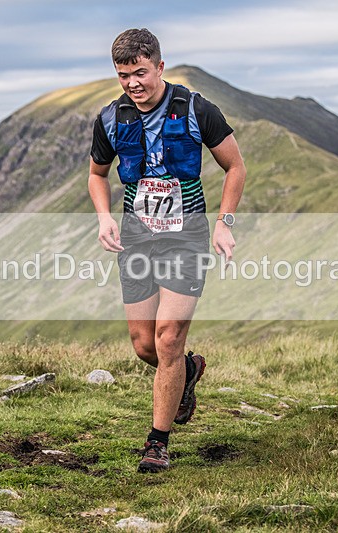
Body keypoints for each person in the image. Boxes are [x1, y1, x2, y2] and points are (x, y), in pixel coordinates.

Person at [88, 28, 246, 472]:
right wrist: (104, 216)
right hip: (137, 237)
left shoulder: (197, 109)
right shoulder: (110, 118)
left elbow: (235, 166)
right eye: (123, 76)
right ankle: (187, 373)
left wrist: (224, 224)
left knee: (168, 338)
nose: (132, 83)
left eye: (140, 72)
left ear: (159, 66)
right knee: (144, 345)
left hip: (186, 236)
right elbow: (97, 174)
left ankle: (157, 443)